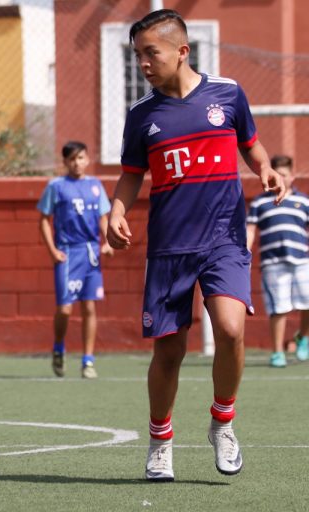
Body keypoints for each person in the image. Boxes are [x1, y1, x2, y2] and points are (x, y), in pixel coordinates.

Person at [106, 10, 286, 482]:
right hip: (169, 248)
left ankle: (222, 422)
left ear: (183, 51)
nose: (143, 63)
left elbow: (252, 144)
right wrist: (117, 212)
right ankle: (160, 441)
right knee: (169, 352)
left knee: (230, 330)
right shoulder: (141, 116)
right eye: (137, 55)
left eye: (151, 53)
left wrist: (265, 169)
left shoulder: (227, 94)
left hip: (224, 238)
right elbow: (130, 175)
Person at [37, 141, 113, 379]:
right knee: (65, 309)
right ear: (65, 162)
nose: (77, 163)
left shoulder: (95, 185)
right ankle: (59, 346)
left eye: (81, 158)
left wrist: (108, 241)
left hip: (91, 253)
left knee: (89, 306)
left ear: (87, 159)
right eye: (72, 159)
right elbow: (43, 219)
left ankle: (88, 360)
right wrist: (52, 250)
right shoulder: (56, 186)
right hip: (68, 253)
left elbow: (103, 217)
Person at [246, 154, 309, 367]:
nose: (282, 178)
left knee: (307, 302)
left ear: (292, 176)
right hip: (273, 263)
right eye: (278, 175)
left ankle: (304, 339)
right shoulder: (260, 203)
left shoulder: (303, 201)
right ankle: (277, 353)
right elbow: (251, 230)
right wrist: (245, 252)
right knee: (279, 308)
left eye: (286, 175)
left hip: (302, 261)